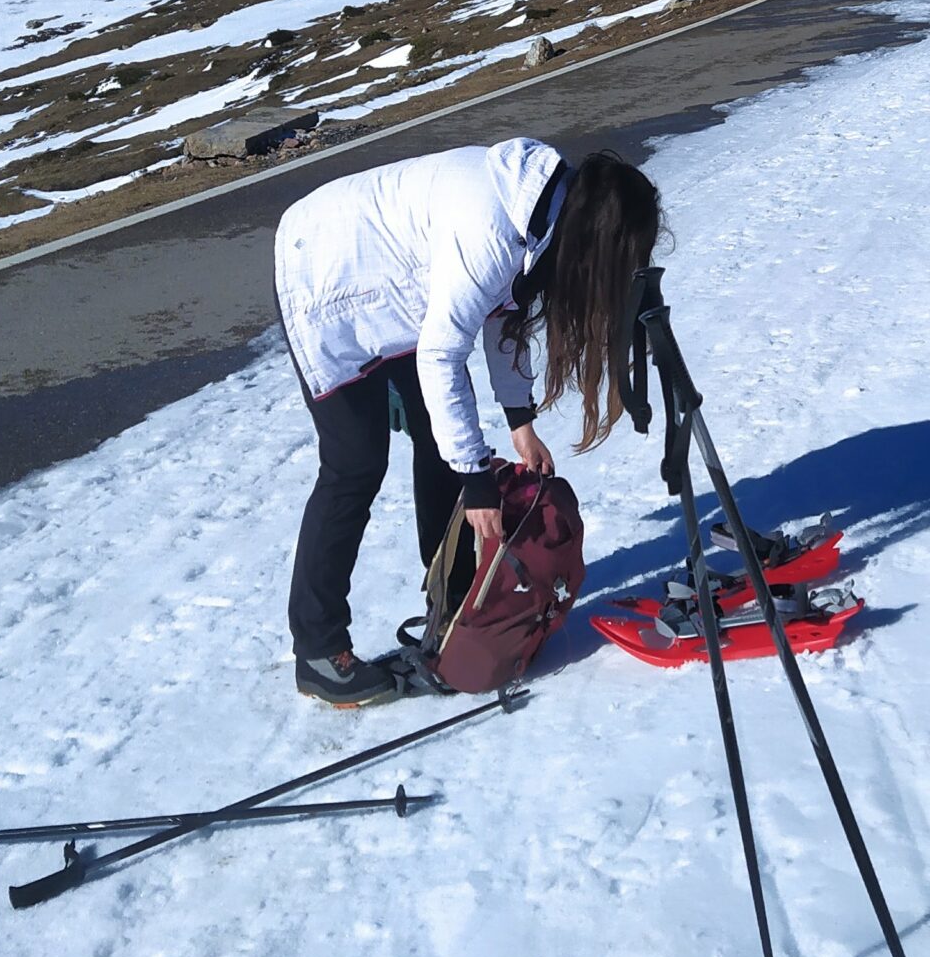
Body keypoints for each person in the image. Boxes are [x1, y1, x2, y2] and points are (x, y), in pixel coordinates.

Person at [274, 139, 661, 707]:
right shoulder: (490, 228)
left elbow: (502, 311)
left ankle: (454, 597)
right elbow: (441, 353)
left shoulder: (541, 210)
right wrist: (478, 483)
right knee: (355, 465)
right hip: (324, 273)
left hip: (396, 280)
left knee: (442, 443)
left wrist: (519, 420)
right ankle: (317, 649)